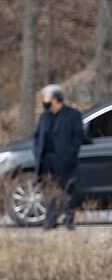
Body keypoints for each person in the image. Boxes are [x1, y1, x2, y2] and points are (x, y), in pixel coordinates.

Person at [33, 85, 89, 231]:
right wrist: (37, 151)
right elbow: (38, 136)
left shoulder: (72, 115)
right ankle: (50, 220)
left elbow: (79, 136)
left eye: (46, 98)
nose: (44, 101)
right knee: (48, 190)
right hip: (47, 160)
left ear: (55, 99)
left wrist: (71, 151)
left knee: (67, 189)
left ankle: (69, 220)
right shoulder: (44, 117)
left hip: (65, 159)